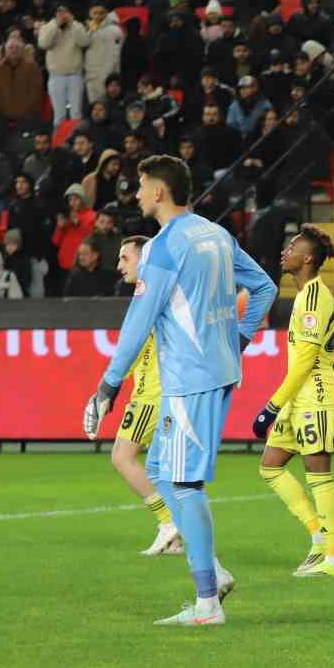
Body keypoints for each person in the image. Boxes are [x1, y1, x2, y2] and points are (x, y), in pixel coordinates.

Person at [84, 156, 277, 626]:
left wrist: (108, 384)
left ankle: (208, 602)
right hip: (211, 370)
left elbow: (138, 322)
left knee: (185, 483)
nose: (135, 194)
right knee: (158, 467)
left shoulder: (164, 248)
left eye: (140, 186)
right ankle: (212, 570)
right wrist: (240, 338)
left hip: (191, 377)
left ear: (158, 192)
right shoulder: (215, 233)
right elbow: (265, 287)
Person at [252, 227, 334, 579]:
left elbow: (307, 361)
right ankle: (318, 536)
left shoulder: (314, 299)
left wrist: (271, 406)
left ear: (307, 258)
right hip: (303, 399)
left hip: (314, 395)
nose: (285, 251)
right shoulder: (306, 296)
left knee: (318, 474)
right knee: (270, 466)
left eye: (292, 246)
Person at [108, 235, 183, 557]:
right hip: (161, 392)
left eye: (125, 258)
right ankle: (176, 539)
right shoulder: (160, 294)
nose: (119, 265)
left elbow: (136, 347)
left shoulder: (150, 295)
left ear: (144, 260)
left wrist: (107, 386)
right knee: (161, 469)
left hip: (151, 395)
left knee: (122, 457)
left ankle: (168, 523)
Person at [38, 3, 93, 124]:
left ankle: (76, 141)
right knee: (59, 115)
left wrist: (73, 24)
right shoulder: (47, 27)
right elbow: (43, 44)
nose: (62, 15)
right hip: (56, 76)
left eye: (65, 12)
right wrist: (56, 25)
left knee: (76, 114)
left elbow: (85, 42)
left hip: (75, 75)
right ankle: (59, 142)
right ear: (55, 14)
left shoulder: (77, 26)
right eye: (60, 12)